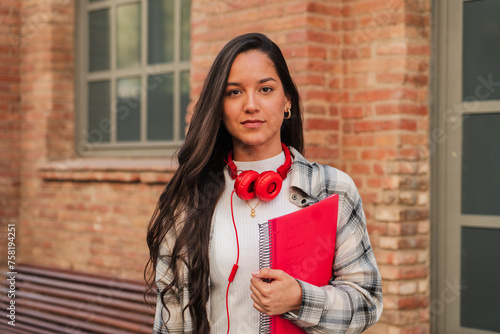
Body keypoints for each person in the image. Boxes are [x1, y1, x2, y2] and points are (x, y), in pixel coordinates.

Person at [145, 32, 383, 334]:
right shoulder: (190, 197)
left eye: (266, 89)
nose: (251, 105)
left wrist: (299, 298)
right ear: (219, 108)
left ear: (287, 103)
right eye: (234, 92)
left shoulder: (332, 189)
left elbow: (367, 302)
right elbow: (171, 320)